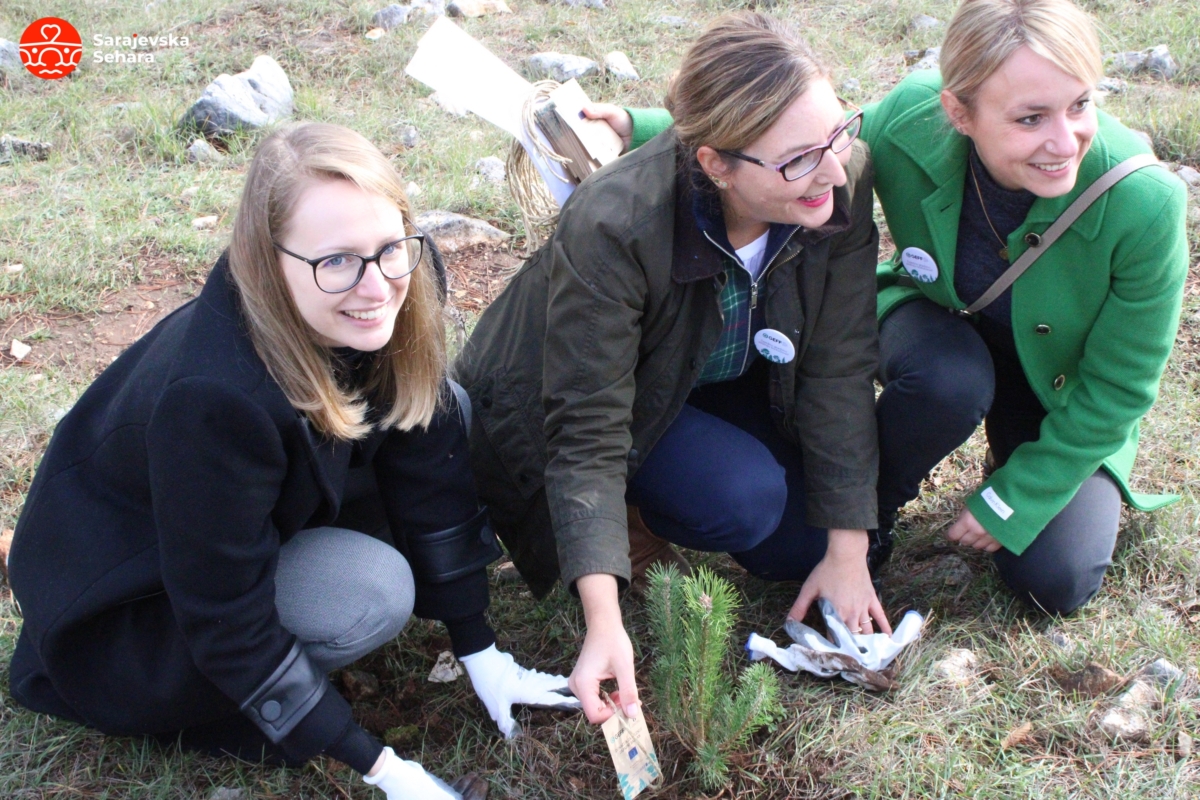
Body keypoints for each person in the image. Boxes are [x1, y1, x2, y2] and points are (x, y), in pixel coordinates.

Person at [7, 122, 577, 800]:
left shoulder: (396, 273)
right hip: (134, 601)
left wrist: (480, 649)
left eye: (390, 246)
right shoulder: (215, 401)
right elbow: (225, 617)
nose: (376, 286)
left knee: (444, 402)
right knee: (370, 594)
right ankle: (216, 702)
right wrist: (383, 768)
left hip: (248, 516)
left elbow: (426, 456)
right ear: (266, 260)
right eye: (335, 260)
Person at [609, 0, 1188, 618]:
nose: (1063, 139)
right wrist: (630, 128)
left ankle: (1014, 452)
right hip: (931, 325)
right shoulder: (914, 118)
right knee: (950, 378)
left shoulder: (1145, 202)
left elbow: (1121, 389)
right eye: (1030, 118)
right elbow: (792, 138)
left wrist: (1019, 494)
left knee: (1055, 581)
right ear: (957, 113)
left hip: (1058, 387)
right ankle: (868, 516)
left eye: (1080, 104)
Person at [455, 12, 885, 728]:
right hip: (569, 397)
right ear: (715, 163)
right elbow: (585, 431)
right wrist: (604, 616)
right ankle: (632, 517)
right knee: (741, 498)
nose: (833, 170)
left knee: (803, 545)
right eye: (800, 158)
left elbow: (840, 364)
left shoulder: (838, 178)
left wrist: (849, 547)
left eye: (839, 135)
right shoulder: (614, 224)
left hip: (707, 373)